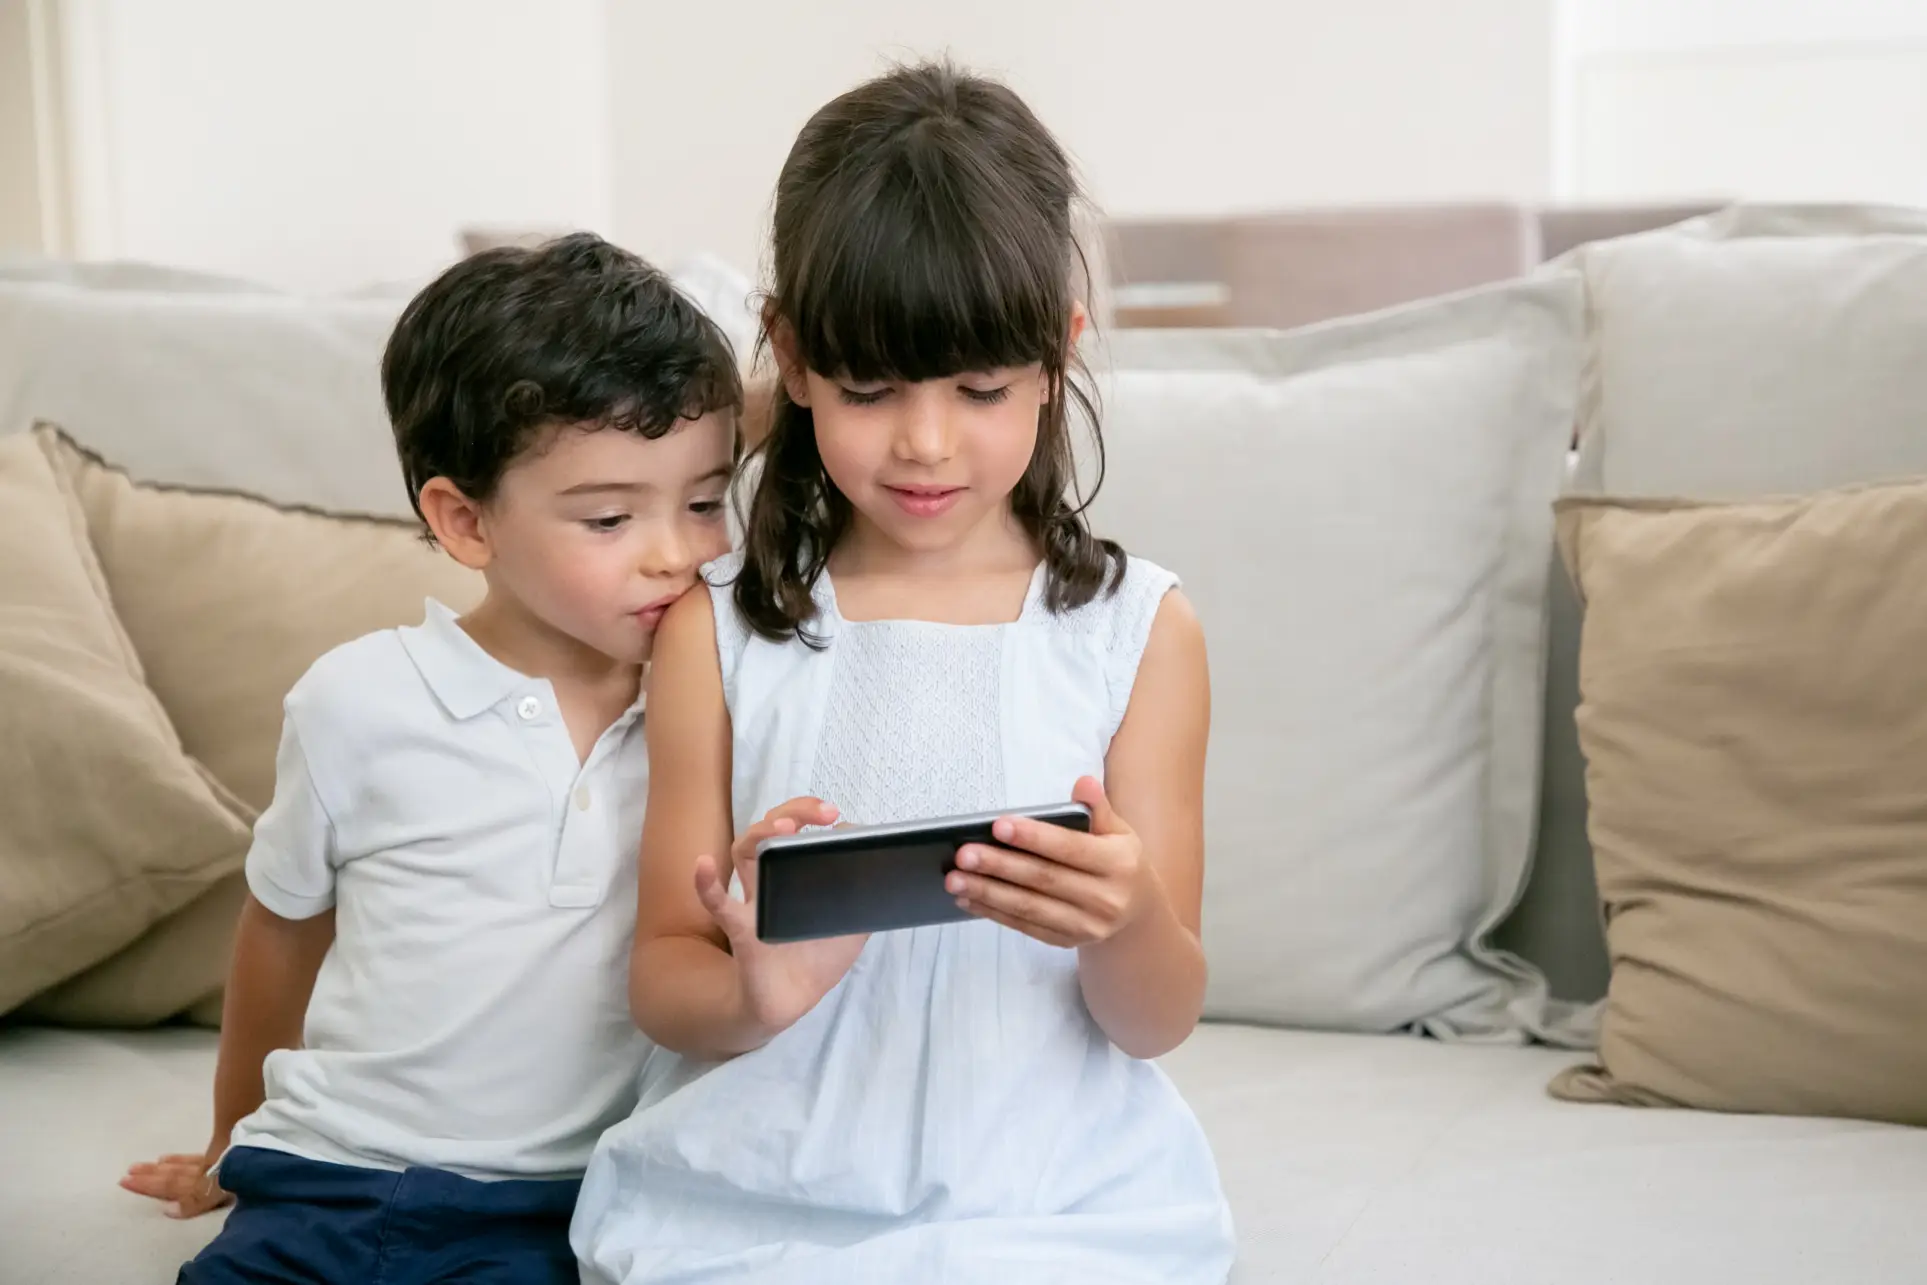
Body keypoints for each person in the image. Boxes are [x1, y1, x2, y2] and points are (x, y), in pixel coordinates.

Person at [572, 63, 1235, 1284]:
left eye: (980, 389)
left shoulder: (1137, 630)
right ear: (795, 357)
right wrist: (752, 988)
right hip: (755, 1189)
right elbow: (667, 977)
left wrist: (1125, 916)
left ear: (1055, 357)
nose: (926, 443)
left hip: (1050, 1201)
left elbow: (1157, 1018)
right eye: (871, 389)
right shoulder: (715, 629)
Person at [120, 233, 743, 1285]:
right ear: (463, 520)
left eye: (704, 501)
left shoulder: (719, 704)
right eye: (607, 516)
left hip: (563, 1204)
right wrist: (233, 1135)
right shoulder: (358, 701)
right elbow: (280, 927)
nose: (673, 551)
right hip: (331, 1174)